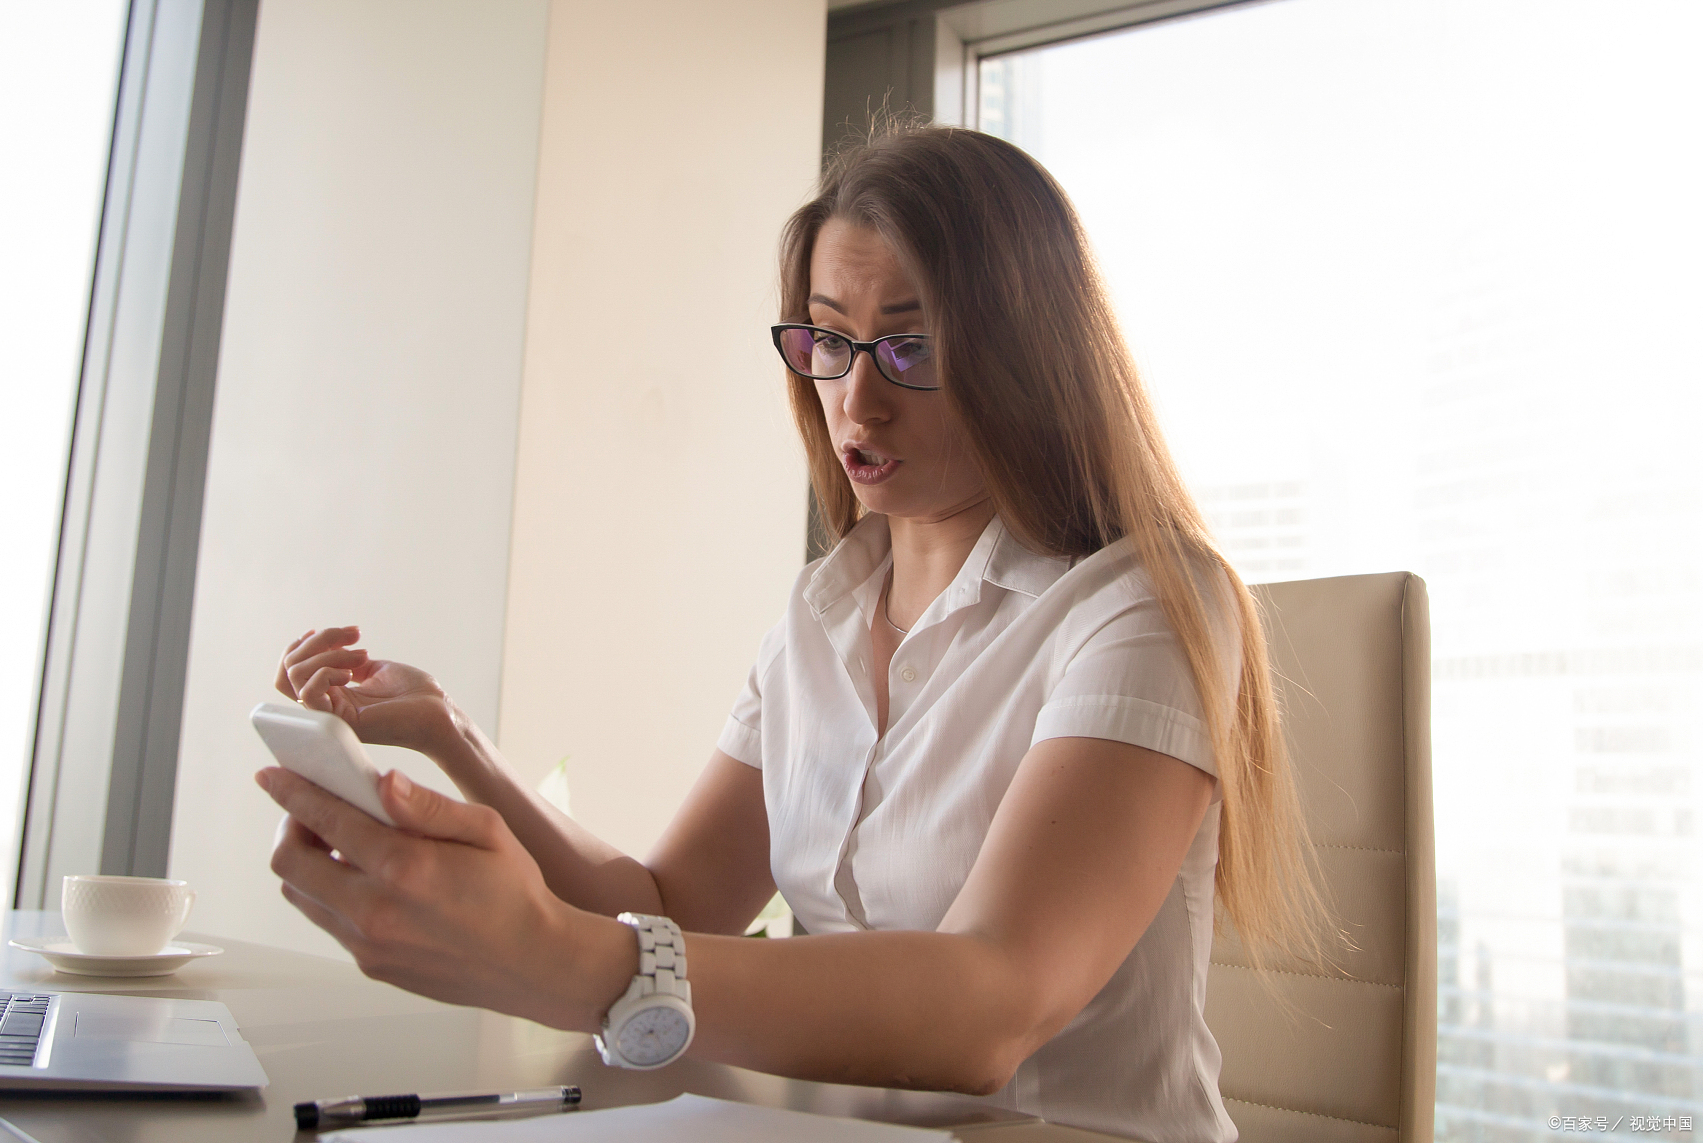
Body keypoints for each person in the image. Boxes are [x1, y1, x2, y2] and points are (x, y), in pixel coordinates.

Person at [258, 124, 1325, 1143]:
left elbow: (988, 1003)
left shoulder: (1135, 608)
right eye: (827, 340)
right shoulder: (818, 617)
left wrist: (570, 961)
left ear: (1028, 356)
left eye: (910, 346)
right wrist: (452, 740)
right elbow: (674, 907)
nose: (853, 399)